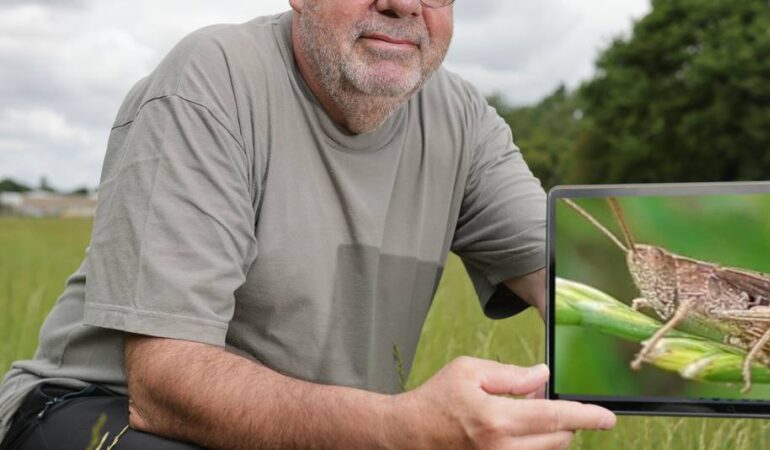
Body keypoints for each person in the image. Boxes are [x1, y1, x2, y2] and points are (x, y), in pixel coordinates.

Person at [0, 0, 617, 448]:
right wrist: (401, 429)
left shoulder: (463, 121)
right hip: (95, 412)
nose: (403, 4)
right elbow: (162, 388)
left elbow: (588, 283)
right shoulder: (212, 79)